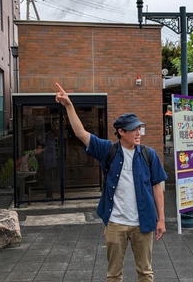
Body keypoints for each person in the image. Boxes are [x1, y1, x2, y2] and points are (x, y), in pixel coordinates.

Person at [55, 83, 167, 282]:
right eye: (134, 129)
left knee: (146, 273)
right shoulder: (108, 150)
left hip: (143, 222)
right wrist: (69, 106)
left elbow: (157, 187)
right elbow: (81, 134)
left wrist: (161, 219)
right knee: (113, 275)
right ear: (121, 132)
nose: (139, 133)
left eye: (140, 128)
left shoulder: (149, 155)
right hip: (115, 222)